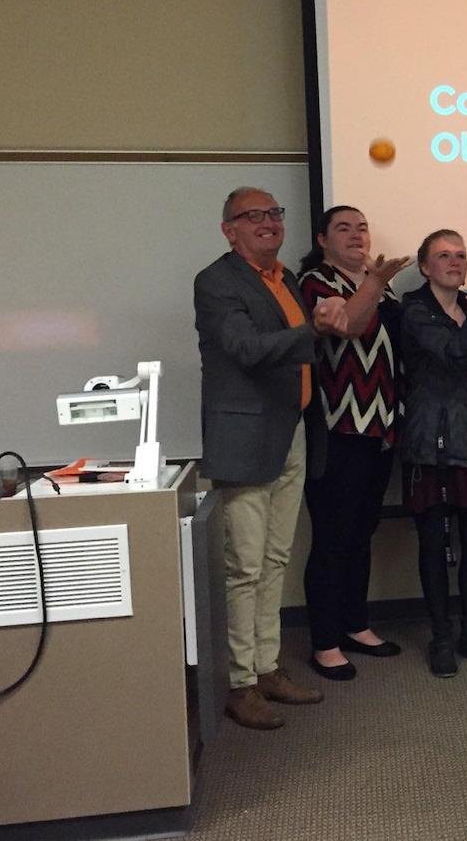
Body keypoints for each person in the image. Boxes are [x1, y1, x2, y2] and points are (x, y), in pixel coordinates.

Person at [194, 186, 345, 730]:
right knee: (245, 567)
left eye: (274, 213)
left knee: (276, 559)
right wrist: (315, 329)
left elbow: (302, 348)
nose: (267, 222)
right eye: (251, 216)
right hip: (245, 440)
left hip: (292, 431)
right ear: (228, 229)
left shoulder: (285, 281)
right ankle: (240, 684)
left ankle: (266, 667)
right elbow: (246, 350)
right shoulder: (216, 282)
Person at [297, 206, 410, 681]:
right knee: (332, 537)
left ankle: (355, 623)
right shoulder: (313, 282)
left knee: (362, 532)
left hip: (379, 429)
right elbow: (351, 327)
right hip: (338, 430)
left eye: (362, 226)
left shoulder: (373, 283)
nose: (357, 235)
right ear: (322, 239)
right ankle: (324, 640)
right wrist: (374, 283)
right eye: (343, 228)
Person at [401, 229, 467, 677]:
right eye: (443, 255)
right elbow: (448, 355)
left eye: (461, 255)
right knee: (433, 543)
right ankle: (441, 636)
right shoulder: (413, 310)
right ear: (425, 267)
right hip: (431, 441)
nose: (454, 262)